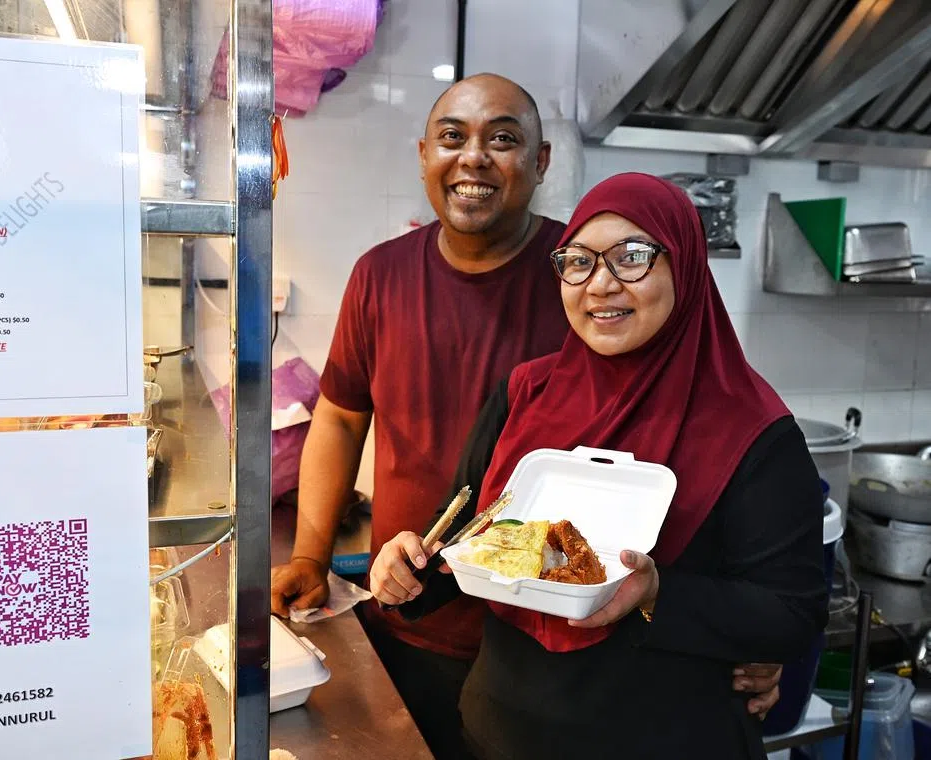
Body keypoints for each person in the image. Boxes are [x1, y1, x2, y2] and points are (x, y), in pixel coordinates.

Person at [269, 73, 782, 759]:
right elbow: (342, 420)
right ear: (423, 155)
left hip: (589, 662)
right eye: (452, 137)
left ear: (540, 163)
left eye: (503, 139)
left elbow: (707, 477)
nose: (474, 158)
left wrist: (734, 631)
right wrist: (315, 555)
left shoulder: (591, 285)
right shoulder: (389, 281)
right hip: (432, 618)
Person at [370, 172, 829, 759]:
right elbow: (464, 536)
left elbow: (793, 614)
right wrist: (408, 571)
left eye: (632, 257)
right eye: (579, 262)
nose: (601, 285)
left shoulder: (753, 430)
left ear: (685, 267)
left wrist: (657, 592)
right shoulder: (526, 393)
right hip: (500, 734)